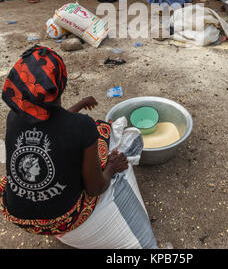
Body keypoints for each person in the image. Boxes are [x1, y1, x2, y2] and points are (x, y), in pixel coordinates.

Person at [0, 45, 156, 249]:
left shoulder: (14, 117)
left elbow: (53, 122)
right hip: (61, 220)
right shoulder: (82, 126)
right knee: (101, 130)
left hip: (15, 214)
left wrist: (80, 104)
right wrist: (111, 167)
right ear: (61, 84)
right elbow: (94, 189)